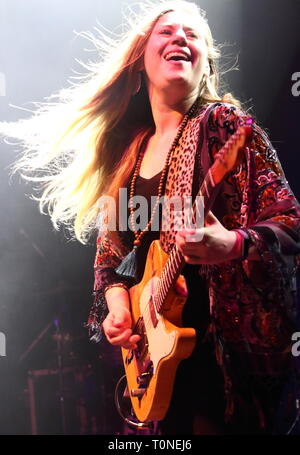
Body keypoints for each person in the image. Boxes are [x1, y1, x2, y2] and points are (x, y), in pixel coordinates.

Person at [2, 0, 300, 435]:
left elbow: (290, 224)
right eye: (166, 31)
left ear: (207, 68)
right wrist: (118, 308)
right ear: (140, 61)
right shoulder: (130, 154)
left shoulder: (224, 126)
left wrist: (230, 245)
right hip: (157, 368)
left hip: (223, 370)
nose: (180, 37)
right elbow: (112, 260)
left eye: (192, 34)